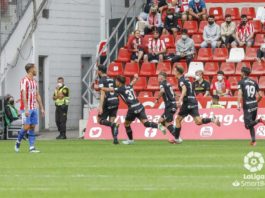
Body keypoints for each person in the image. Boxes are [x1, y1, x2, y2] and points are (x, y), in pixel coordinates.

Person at [103, 74, 166, 145]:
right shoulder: (128, 86)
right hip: (139, 106)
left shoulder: (120, 89)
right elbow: (133, 82)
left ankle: (130, 140)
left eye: (116, 81)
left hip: (132, 108)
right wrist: (136, 78)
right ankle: (158, 126)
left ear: (119, 82)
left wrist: (101, 88)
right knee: (146, 123)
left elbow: (109, 89)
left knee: (126, 124)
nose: (115, 82)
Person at [171, 66, 221, 144]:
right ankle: (212, 119)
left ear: (178, 72)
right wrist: (178, 95)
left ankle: (177, 139)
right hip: (193, 101)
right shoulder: (187, 79)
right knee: (198, 121)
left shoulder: (181, 80)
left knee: (178, 119)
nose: (173, 72)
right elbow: (189, 91)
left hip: (187, 102)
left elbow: (184, 89)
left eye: (174, 70)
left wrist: (180, 100)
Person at [15, 63, 45, 153]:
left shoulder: (34, 81)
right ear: (31, 69)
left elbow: (37, 95)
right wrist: (26, 109)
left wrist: (42, 108)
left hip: (34, 107)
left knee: (32, 127)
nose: (36, 70)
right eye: (35, 68)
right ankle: (18, 141)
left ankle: (32, 147)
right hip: (26, 108)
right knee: (27, 126)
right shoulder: (24, 81)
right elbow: (24, 95)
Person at [237, 67, 265, 146]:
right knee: (251, 124)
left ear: (243, 73)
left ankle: (259, 120)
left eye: (241, 72)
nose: (240, 73)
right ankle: (253, 141)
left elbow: (239, 93)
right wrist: (256, 102)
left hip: (247, 105)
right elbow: (260, 95)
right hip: (254, 105)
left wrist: (238, 104)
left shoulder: (241, 82)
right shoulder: (254, 82)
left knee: (247, 125)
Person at [97, 65, 120, 145]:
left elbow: (102, 93)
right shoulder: (112, 79)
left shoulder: (101, 80)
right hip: (115, 101)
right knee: (112, 121)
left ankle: (114, 125)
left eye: (98, 70)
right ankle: (115, 139)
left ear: (99, 71)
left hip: (107, 102)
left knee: (99, 120)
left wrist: (100, 106)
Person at [155, 72, 179, 141]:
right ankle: (175, 132)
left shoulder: (162, 83)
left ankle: (177, 137)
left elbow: (162, 91)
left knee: (167, 122)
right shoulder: (168, 83)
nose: (158, 78)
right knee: (160, 121)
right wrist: (177, 96)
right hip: (171, 105)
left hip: (170, 105)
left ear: (162, 77)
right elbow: (172, 93)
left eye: (159, 76)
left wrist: (157, 99)